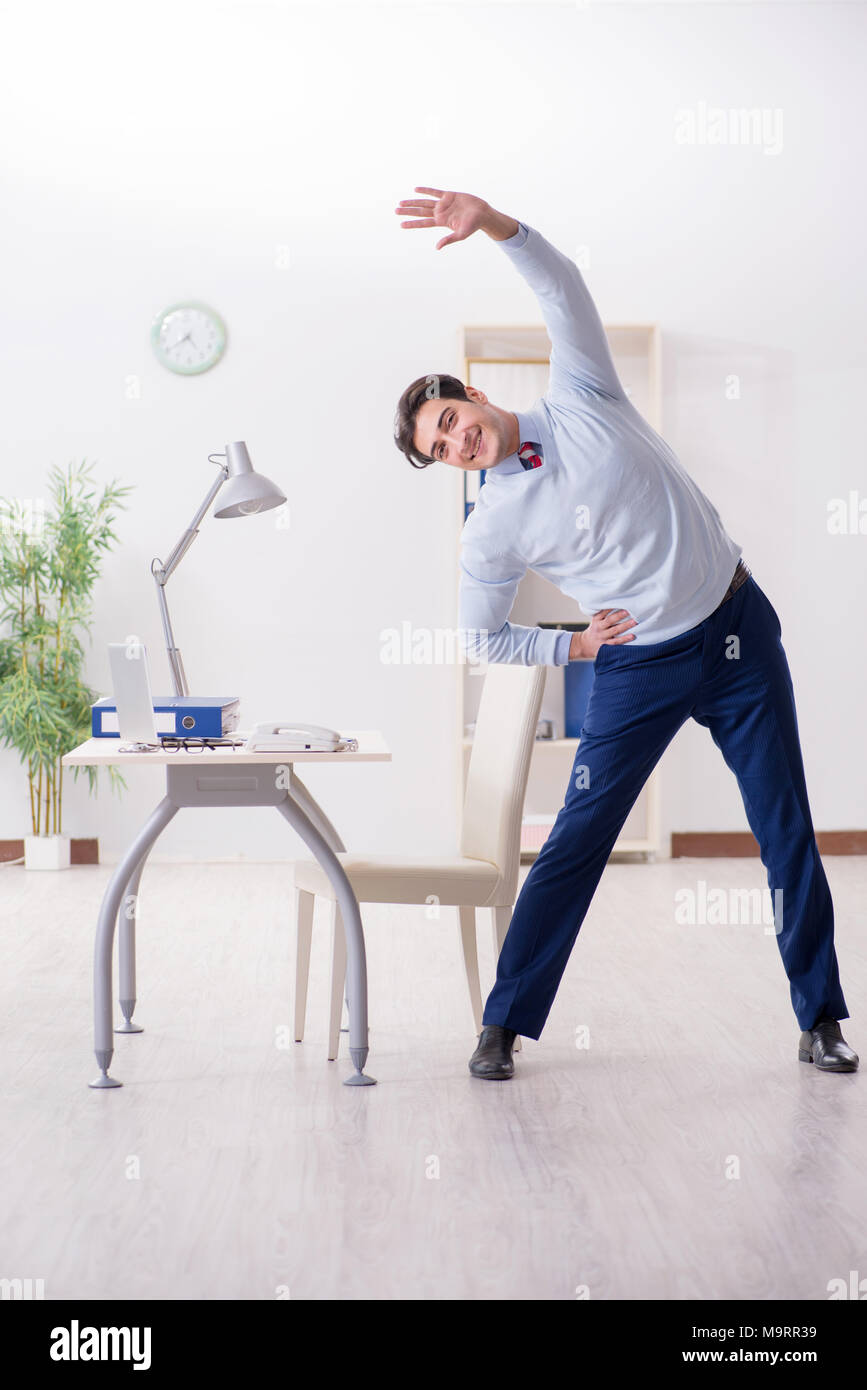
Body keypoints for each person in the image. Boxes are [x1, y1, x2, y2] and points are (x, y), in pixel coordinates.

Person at [393, 186, 857, 1081]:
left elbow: (560, 287)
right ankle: (503, 1024)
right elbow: (482, 638)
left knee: (784, 825)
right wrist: (569, 647)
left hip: (735, 635)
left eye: (452, 420)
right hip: (638, 668)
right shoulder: (488, 527)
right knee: (575, 840)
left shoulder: (580, 394)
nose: (459, 442)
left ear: (475, 397)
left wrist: (488, 222)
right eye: (442, 447)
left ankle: (821, 1019)